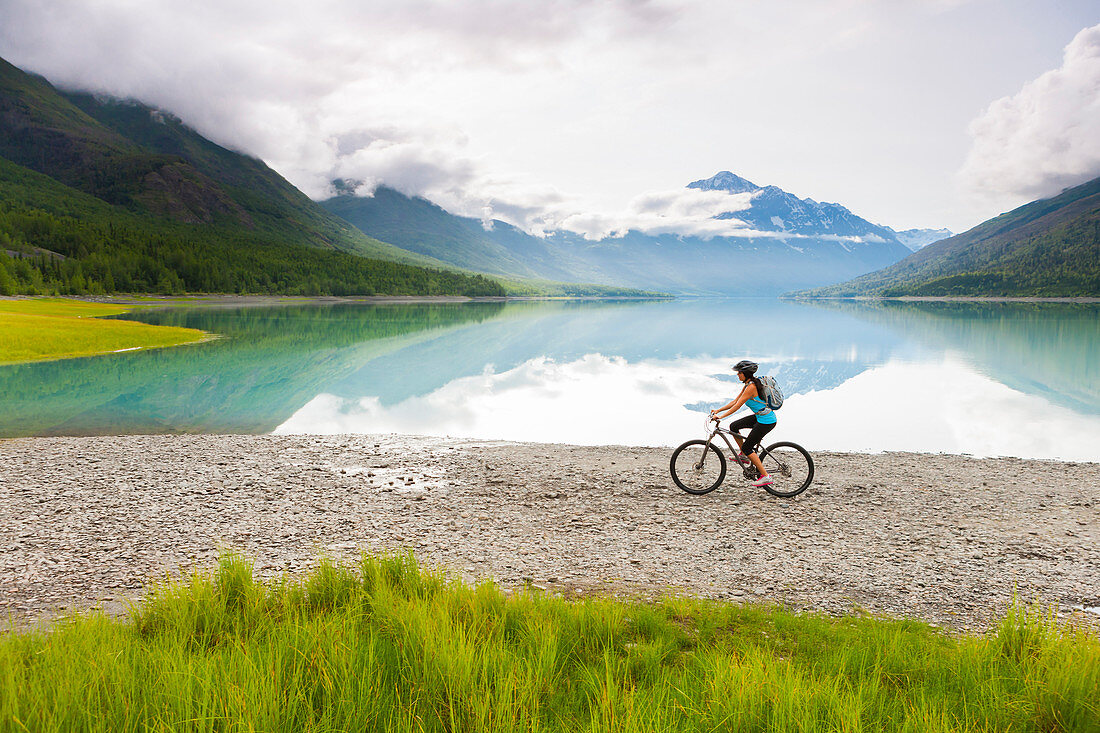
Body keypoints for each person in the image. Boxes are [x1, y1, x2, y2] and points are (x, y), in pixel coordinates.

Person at [709, 360, 776, 486]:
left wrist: (721, 417)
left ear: (745, 373)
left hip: (767, 421)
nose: (737, 375)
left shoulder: (751, 387)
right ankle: (745, 456)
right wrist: (718, 410)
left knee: (747, 447)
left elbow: (737, 406)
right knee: (734, 426)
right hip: (760, 417)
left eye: (739, 372)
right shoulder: (748, 384)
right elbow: (735, 401)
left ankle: (766, 476)